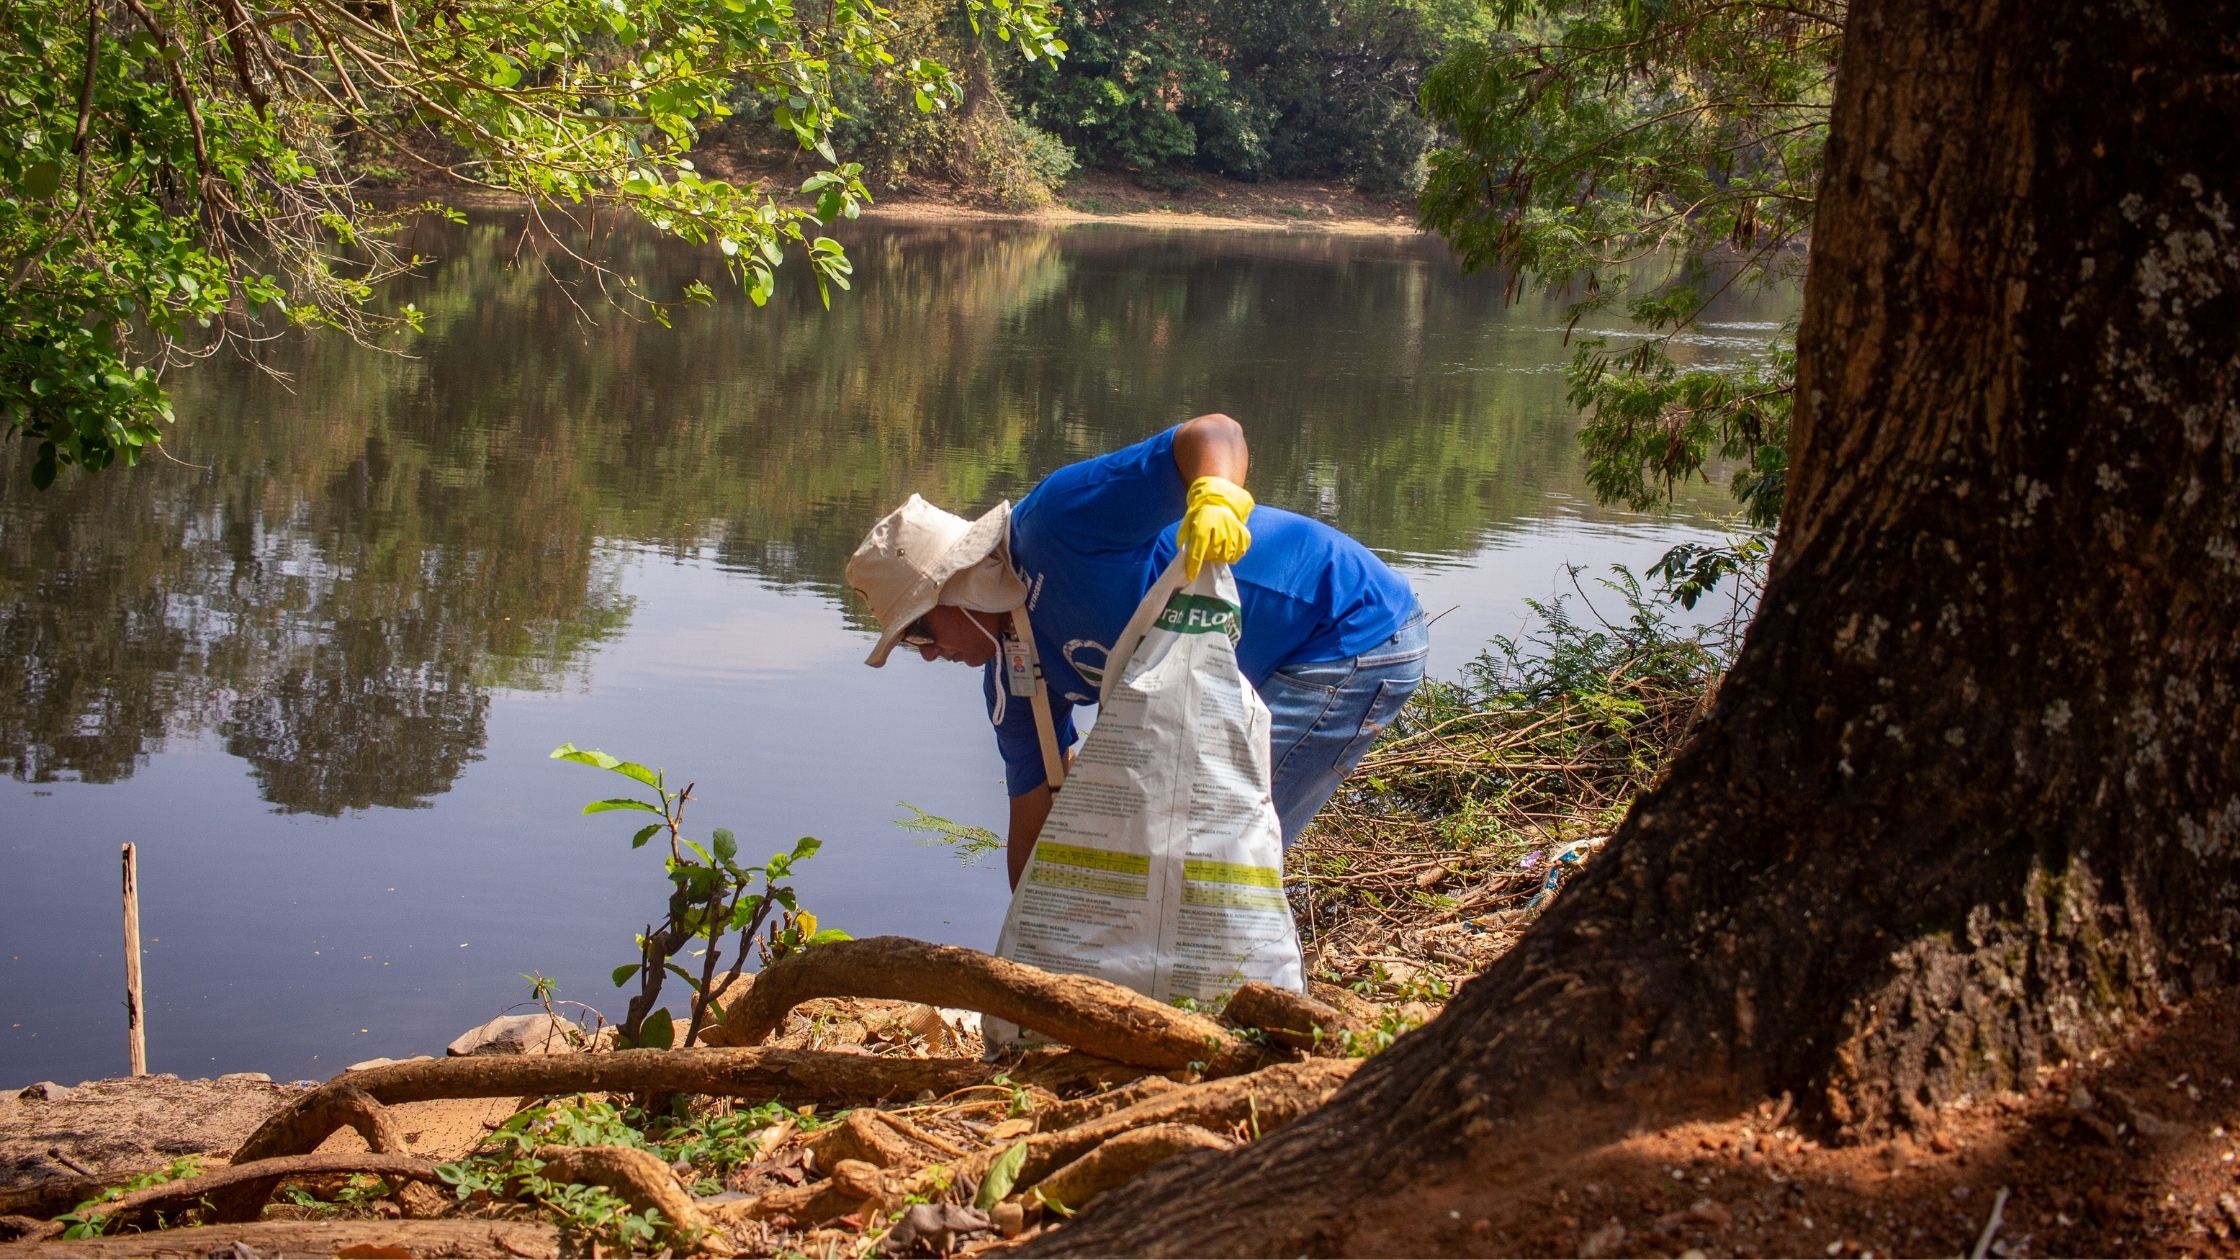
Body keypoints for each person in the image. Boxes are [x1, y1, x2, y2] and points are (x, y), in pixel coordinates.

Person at [845, 413, 1427, 890]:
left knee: (1221, 848)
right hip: (1264, 670)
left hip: (1346, 631)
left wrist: (1218, 495)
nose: (924, 655)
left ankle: (1241, 1017)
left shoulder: (1058, 522)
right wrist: (1026, 951)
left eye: (918, 633)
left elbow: (1214, 432)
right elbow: (1034, 822)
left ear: (956, 584)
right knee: (1162, 838)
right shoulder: (1016, 684)